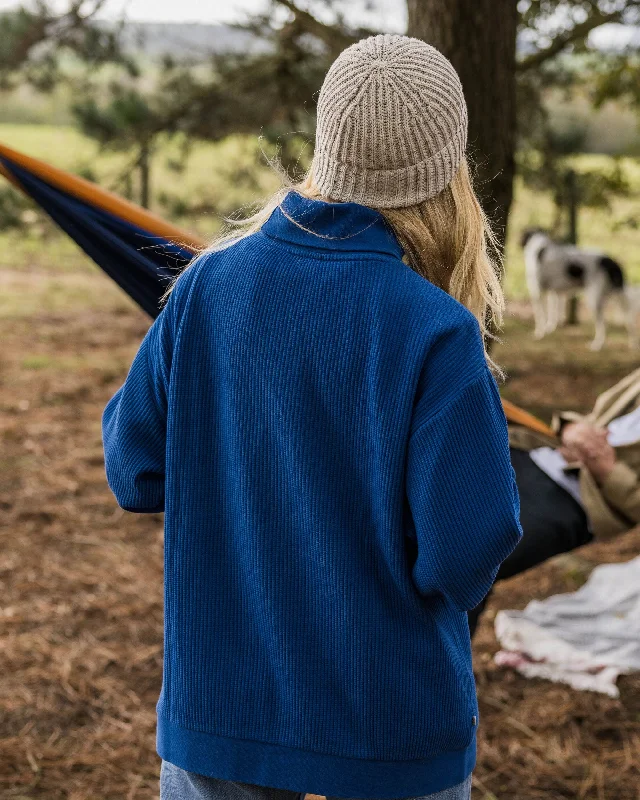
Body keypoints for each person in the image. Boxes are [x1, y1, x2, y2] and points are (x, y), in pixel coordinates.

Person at [102, 35, 522, 800]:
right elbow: (465, 551)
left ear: (324, 143)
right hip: (387, 725)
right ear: (446, 169)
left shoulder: (204, 291)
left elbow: (135, 468)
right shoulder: (434, 329)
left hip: (220, 717)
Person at [469, 366, 640, 635]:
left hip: (578, 501)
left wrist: (607, 471)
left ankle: (438, 668)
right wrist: (571, 428)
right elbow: (594, 417)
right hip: (536, 452)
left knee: (473, 562)